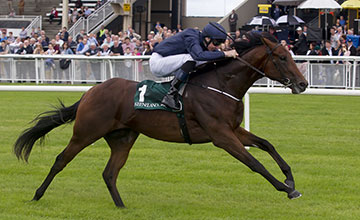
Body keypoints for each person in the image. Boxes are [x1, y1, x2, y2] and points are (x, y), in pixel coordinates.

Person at [149, 22, 238, 110]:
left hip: (168, 63)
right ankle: (170, 95)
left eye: (219, 44)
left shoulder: (202, 41)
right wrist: (225, 54)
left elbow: (216, 56)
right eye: (215, 43)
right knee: (192, 58)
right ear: (207, 39)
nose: (217, 47)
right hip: (158, 62)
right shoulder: (191, 36)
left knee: (207, 59)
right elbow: (199, 56)